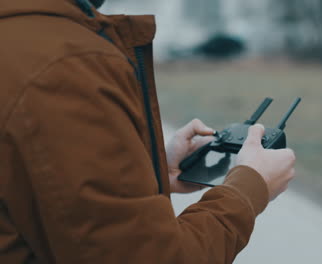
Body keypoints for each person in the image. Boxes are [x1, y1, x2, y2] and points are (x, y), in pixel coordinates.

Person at [0, 0, 296, 263]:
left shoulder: (18, 36)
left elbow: (43, 189)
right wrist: (248, 190)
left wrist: (149, 171)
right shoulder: (63, 63)